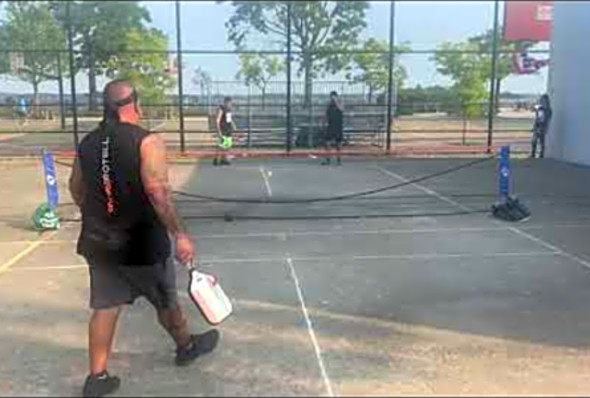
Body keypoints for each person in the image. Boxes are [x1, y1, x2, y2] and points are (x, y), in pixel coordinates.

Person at [68, 79, 219, 397]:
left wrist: (99, 213)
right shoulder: (147, 141)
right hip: (142, 242)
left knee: (106, 306)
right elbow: (157, 191)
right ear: (133, 103)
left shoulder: (88, 143)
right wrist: (180, 234)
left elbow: (76, 188)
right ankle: (186, 347)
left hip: (99, 241)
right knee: (165, 300)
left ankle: (97, 378)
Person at [322, 91, 344, 166]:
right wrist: (324, 123)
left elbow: (341, 109)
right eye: (331, 96)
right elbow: (326, 114)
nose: (332, 98)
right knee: (327, 143)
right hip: (330, 126)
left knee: (338, 144)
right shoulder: (329, 105)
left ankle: (339, 160)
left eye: (333, 96)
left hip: (338, 126)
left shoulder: (340, 103)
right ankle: (328, 159)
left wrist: (336, 101)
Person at [214, 96, 236, 166]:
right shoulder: (221, 109)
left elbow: (229, 119)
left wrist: (233, 125)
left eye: (230, 103)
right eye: (228, 103)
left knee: (228, 145)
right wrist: (219, 131)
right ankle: (217, 160)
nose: (230, 104)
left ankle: (225, 159)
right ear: (225, 102)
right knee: (221, 145)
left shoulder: (229, 110)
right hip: (223, 129)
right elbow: (217, 120)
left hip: (228, 129)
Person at [531, 93, 552, 159]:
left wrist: (546, 128)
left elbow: (547, 120)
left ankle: (541, 155)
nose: (542, 101)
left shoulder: (548, 110)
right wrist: (534, 126)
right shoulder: (540, 108)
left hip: (543, 125)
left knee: (541, 140)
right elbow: (537, 118)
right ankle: (533, 154)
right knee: (534, 140)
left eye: (543, 100)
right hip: (538, 125)